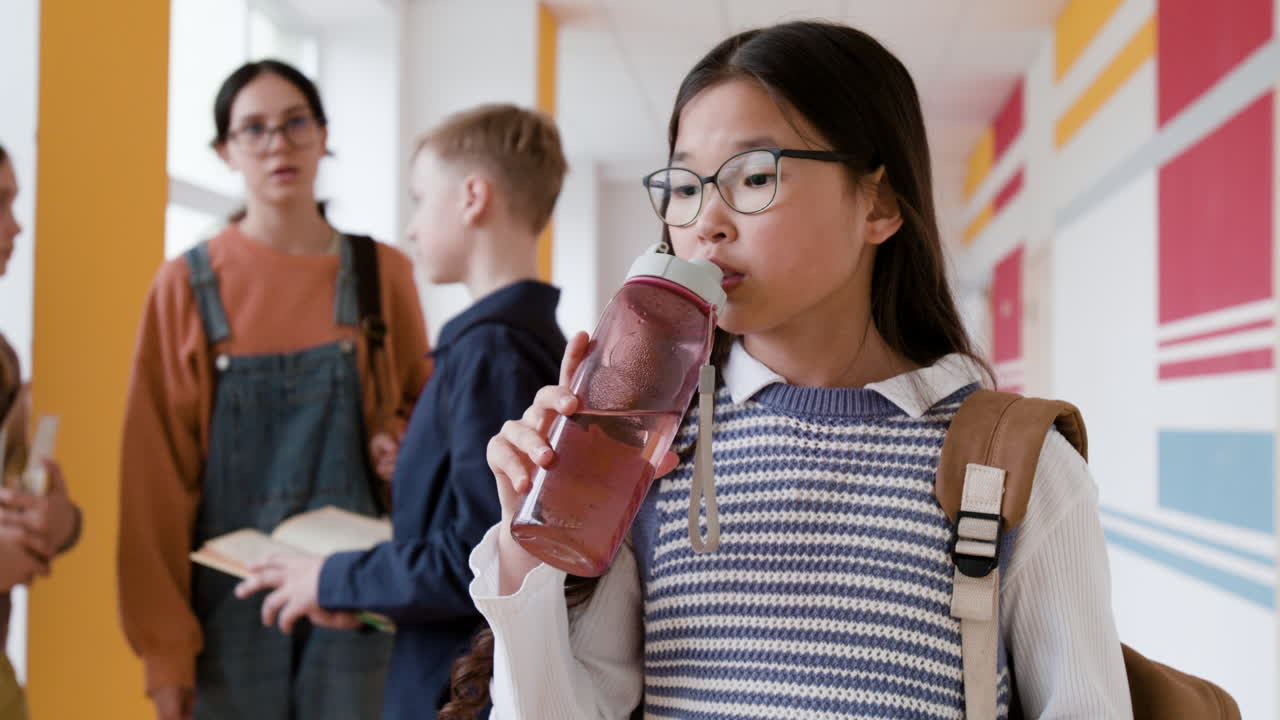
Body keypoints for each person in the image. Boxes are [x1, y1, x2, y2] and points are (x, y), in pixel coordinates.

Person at [459, 21, 1133, 719]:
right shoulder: (660, 454)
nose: (705, 222)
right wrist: (524, 542)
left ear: (877, 203)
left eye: (755, 175)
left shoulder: (1015, 464)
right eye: (684, 187)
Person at [117, 61, 431, 720]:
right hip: (227, 622)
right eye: (253, 129)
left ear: (322, 135)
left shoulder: (383, 275)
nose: (277, 144)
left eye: (295, 123)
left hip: (358, 608)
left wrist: (398, 442)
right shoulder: (184, 289)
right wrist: (165, 654)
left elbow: (426, 430)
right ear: (225, 151)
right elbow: (153, 487)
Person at [236, 103, 568, 720]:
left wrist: (330, 577)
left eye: (420, 199)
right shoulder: (516, 344)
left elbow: (477, 554)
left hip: (455, 691)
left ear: (473, 197)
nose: (412, 227)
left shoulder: (491, 352)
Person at [0, 142, 83, 720]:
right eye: (1, 203)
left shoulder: (4, 362)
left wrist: (59, 520)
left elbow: (29, 503)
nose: (17, 225)